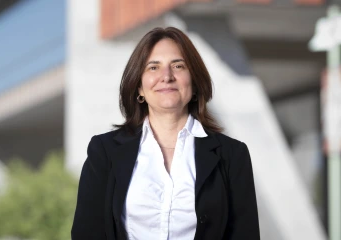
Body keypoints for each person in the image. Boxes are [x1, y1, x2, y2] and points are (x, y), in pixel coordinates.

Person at [71, 27, 260, 240]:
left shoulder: (232, 154)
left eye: (178, 66)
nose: (167, 76)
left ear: (195, 82)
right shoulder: (105, 151)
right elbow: (86, 234)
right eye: (153, 67)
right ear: (139, 88)